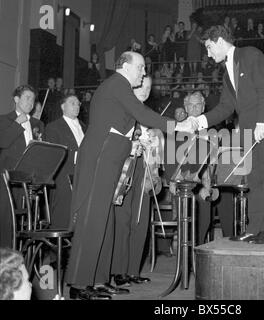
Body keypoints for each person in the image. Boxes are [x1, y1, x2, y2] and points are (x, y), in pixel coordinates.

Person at [65, 51, 194, 300]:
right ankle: (79, 284)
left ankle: (99, 279)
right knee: (92, 221)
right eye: (141, 67)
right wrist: (177, 126)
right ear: (125, 66)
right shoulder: (117, 83)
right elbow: (142, 114)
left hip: (110, 157)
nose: (144, 73)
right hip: (100, 158)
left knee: (104, 222)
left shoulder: (119, 86)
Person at [191, 25, 264, 244]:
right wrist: (198, 121)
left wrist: (263, 122)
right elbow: (225, 108)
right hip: (250, 132)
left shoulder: (250, 54)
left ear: (219, 40)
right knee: (254, 179)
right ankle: (255, 228)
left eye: (209, 47)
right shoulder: (227, 74)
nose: (208, 54)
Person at [111, 75, 157, 287]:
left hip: (145, 169)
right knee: (123, 220)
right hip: (126, 168)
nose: (145, 90)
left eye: (148, 88)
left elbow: (157, 148)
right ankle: (119, 270)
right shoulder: (124, 111)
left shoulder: (148, 115)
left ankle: (133, 270)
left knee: (140, 221)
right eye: (141, 86)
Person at [0, 85, 45, 248]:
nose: (30, 102)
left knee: (27, 223)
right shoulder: (4, 120)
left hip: (29, 180)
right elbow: (3, 142)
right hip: (7, 179)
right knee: (6, 222)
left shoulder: (38, 123)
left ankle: (22, 258)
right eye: (27, 98)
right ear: (16, 99)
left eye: (33, 99)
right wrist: (17, 124)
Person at [45, 94, 86, 229]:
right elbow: (53, 154)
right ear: (63, 107)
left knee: (81, 219)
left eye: (78, 103)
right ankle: (57, 249)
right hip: (63, 179)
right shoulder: (53, 127)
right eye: (72, 103)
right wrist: (77, 156)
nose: (77, 106)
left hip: (84, 177)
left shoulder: (85, 127)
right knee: (62, 218)